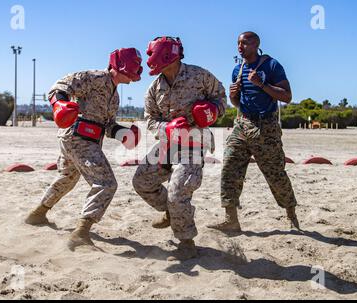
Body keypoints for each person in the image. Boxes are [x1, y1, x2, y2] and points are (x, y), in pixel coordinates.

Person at [25, 48, 143, 250]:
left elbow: (107, 125)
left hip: (83, 140)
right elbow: (59, 87)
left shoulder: (114, 96)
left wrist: (122, 133)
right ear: (121, 65)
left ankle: (37, 214)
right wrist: (60, 105)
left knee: (67, 178)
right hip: (78, 139)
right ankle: (81, 233)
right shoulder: (94, 77)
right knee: (106, 183)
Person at [132, 36, 227, 261]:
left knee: (177, 192)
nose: (150, 60)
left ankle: (186, 243)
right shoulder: (155, 88)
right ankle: (171, 212)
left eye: (153, 54)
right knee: (142, 181)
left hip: (194, 142)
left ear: (168, 55)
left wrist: (211, 111)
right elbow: (150, 120)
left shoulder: (200, 76)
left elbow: (221, 99)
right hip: (168, 143)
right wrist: (167, 128)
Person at [208, 31, 299, 232]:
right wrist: (233, 96)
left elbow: (287, 96)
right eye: (238, 43)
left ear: (256, 44)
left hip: (265, 126)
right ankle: (231, 218)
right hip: (242, 124)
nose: (240, 47)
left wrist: (262, 84)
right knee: (230, 166)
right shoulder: (237, 69)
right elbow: (237, 103)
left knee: (275, 173)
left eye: (245, 43)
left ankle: (291, 213)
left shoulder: (272, 65)